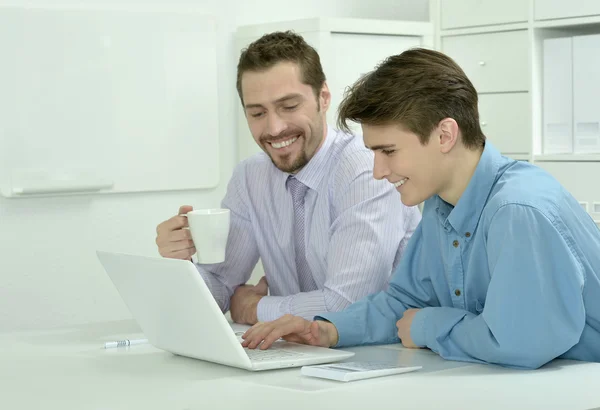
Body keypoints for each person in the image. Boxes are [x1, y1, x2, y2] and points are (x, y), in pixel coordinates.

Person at [240, 47, 600, 369]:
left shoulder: (518, 210)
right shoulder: (440, 204)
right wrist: (326, 330)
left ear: (445, 135)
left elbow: (521, 342)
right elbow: (405, 302)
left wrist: (428, 325)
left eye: (389, 151)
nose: (378, 172)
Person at [155, 31, 421, 325]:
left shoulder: (366, 167)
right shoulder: (249, 177)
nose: (274, 127)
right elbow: (219, 289)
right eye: (257, 113)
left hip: (378, 354)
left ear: (323, 98)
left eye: (289, 107)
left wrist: (254, 310)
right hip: (295, 356)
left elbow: (348, 305)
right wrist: (181, 265)